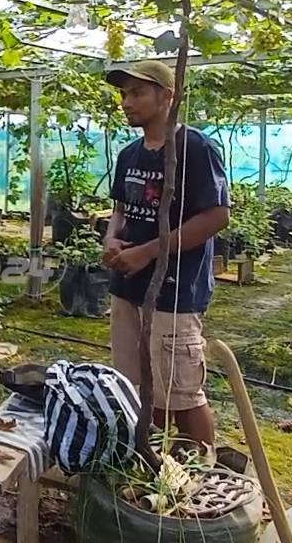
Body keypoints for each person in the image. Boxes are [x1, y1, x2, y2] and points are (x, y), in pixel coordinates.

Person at [101, 60, 230, 448]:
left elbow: (217, 216)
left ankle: (205, 467)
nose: (126, 102)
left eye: (137, 93)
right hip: (127, 287)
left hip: (173, 290)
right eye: (124, 94)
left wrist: (148, 252)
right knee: (131, 385)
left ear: (167, 96)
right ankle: (152, 459)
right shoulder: (129, 154)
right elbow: (120, 209)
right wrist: (111, 239)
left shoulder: (195, 148)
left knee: (181, 395)